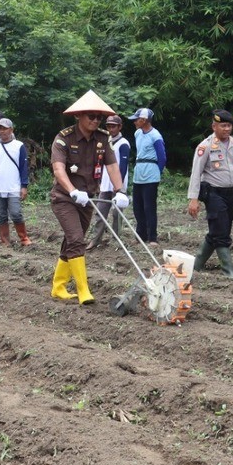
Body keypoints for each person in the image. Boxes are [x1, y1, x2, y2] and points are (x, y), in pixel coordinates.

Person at [49, 90, 128, 305]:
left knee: (71, 241)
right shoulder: (63, 138)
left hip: (88, 199)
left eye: (98, 117)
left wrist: (120, 190)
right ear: (79, 116)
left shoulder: (103, 138)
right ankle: (84, 290)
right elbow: (58, 169)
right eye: (91, 116)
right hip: (65, 198)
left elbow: (111, 165)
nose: (95, 120)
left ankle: (58, 286)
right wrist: (72, 190)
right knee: (76, 239)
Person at [187, 109, 233, 279]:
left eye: (229, 126)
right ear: (214, 126)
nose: (227, 129)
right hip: (213, 193)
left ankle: (196, 266)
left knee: (220, 229)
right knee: (221, 231)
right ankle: (228, 272)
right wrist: (193, 199)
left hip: (230, 193)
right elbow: (195, 173)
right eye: (223, 126)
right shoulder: (205, 146)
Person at [0, 117, 31, 246]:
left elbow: (23, 168)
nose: (2, 131)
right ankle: (5, 240)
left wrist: (24, 186)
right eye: (0, 128)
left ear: (11, 130)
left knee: (16, 213)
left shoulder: (19, 146)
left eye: (5, 128)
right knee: (1, 216)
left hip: (13, 186)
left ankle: (24, 238)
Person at [87, 115, 132, 250]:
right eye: (108, 126)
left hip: (117, 185)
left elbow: (123, 166)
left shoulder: (123, 143)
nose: (111, 129)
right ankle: (95, 240)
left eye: (113, 126)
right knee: (100, 213)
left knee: (117, 214)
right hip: (105, 184)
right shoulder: (105, 142)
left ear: (120, 127)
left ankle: (116, 240)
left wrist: (118, 186)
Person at [127, 107, 166, 247]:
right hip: (139, 173)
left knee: (149, 207)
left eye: (136, 120)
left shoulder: (156, 136)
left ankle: (152, 237)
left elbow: (162, 157)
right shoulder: (138, 133)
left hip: (151, 174)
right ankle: (140, 235)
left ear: (144, 120)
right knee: (137, 207)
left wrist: (157, 172)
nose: (134, 122)